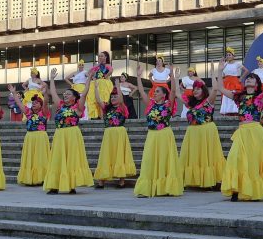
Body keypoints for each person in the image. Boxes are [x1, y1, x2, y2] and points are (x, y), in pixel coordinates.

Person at [215, 59, 263, 202]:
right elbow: (220, 88)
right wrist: (220, 71)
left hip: (256, 131)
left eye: (252, 78)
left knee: (251, 161)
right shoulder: (239, 97)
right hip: (242, 130)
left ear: (256, 84)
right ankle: (235, 188)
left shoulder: (261, 97)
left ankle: (251, 190)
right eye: (248, 78)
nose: (249, 79)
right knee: (234, 158)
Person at [133, 65, 184, 198]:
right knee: (149, 160)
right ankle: (147, 188)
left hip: (164, 135)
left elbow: (173, 91)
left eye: (157, 91)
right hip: (152, 135)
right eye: (154, 91)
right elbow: (142, 92)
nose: (154, 93)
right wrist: (138, 77)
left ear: (163, 94)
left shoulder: (168, 104)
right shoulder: (150, 104)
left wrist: (172, 76)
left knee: (165, 160)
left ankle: (165, 187)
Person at [43, 68, 94, 194]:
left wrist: (89, 79)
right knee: (57, 159)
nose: (65, 95)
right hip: (60, 134)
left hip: (72, 134)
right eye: (64, 94)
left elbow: (85, 92)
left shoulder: (78, 106)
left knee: (71, 159)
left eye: (68, 94)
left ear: (74, 97)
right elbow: (53, 93)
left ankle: (70, 185)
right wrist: (52, 79)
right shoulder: (60, 105)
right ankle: (54, 185)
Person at [180, 69, 225, 190]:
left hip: (206, 131)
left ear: (203, 90)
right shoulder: (191, 103)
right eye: (194, 89)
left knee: (206, 155)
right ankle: (194, 180)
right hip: (193, 133)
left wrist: (213, 73)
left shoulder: (208, 101)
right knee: (194, 156)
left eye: (198, 89)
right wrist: (175, 77)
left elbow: (215, 89)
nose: (195, 91)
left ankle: (208, 180)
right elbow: (176, 94)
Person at [93, 78, 136, 189]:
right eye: (112, 97)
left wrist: (117, 86)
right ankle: (101, 181)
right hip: (108, 134)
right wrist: (96, 88)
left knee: (119, 155)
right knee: (106, 155)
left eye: (115, 96)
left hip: (119, 134)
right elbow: (98, 101)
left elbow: (121, 100)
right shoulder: (107, 109)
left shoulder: (122, 108)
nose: (113, 98)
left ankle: (121, 181)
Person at [8, 86, 50, 186]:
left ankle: (42, 178)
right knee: (30, 158)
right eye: (33, 103)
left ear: (41, 105)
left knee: (41, 157)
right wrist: (14, 93)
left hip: (41, 137)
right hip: (30, 137)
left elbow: (46, 102)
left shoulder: (43, 112)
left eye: (36, 103)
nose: (34, 104)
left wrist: (45, 92)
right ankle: (29, 178)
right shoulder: (28, 112)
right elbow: (19, 103)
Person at [219, 48, 248, 115]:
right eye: (227, 55)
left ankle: (234, 111)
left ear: (233, 56)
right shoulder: (225, 64)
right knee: (226, 96)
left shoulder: (237, 64)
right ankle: (227, 111)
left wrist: (241, 78)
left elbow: (246, 70)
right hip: (226, 82)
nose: (228, 56)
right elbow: (223, 73)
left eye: (229, 55)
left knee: (234, 95)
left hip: (234, 82)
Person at [86, 51, 113, 120]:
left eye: (102, 56)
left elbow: (111, 70)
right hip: (96, 84)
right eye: (99, 56)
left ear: (106, 57)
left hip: (104, 84)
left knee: (102, 100)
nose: (100, 57)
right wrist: (92, 76)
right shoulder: (97, 66)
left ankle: (103, 117)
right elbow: (88, 72)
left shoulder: (107, 65)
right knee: (95, 100)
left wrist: (105, 76)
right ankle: (99, 116)